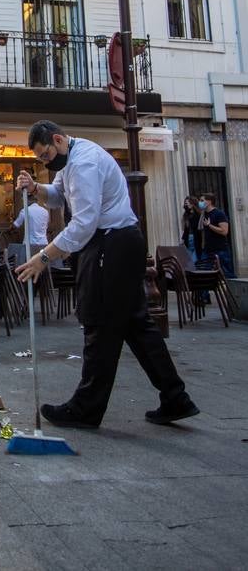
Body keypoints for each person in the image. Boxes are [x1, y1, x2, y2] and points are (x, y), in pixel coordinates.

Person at [15, 120, 199, 429]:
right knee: (135, 323)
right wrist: (35, 189)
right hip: (115, 242)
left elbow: (85, 222)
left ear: (58, 140)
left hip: (110, 243)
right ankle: (175, 396)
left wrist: (44, 256)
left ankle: (86, 408)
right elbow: (58, 196)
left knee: (98, 320)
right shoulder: (72, 158)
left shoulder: (85, 162)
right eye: (40, 160)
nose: (45, 162)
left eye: (45, 155)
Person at [198, 193, 235, 279]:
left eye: (202, 200)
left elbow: (224, 231)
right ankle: (204, 292)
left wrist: (209, 225)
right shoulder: (203, 215)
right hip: (208, 250)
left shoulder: (219, 213)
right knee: (203, 274)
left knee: (228, 274)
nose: (200, 202)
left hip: (220, 249)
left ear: (209, 201)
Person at [181, 195, 201, 262]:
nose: (186, 204)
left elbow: (197, 228)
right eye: (185, 203)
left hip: (196, 239)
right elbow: (186, 229)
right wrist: (183, 240)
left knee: (194, 260)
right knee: (189, 259)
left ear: (193, 204)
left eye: (187, 203)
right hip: (189, 238)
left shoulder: (198, 215)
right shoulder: (186, 215)